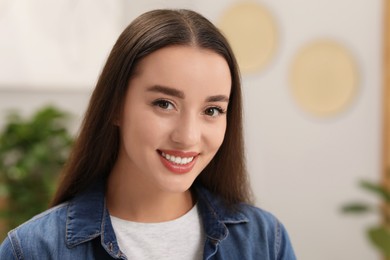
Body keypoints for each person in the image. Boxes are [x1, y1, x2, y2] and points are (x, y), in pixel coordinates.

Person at [0, 9, 296, 259]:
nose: (189, 137)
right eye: (164, 104)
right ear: (115, 106)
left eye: (212, 110)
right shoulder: (33, 250)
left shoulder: (265, 241)